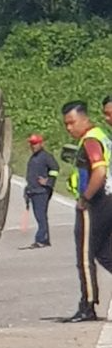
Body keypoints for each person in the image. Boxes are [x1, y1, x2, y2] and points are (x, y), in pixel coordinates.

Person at [61, 100, 112, 322]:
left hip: (95, 203)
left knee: (85, 255)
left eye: (72, 123)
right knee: (105, 253)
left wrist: (85, 198)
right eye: (66, 124)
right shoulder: (103, 136)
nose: (69, 128)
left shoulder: (91, 140)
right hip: (108, 200)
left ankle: (88, 304)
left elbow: (99, 171)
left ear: (84, 119)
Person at [22, 134, 59, 248]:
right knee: (39, 216)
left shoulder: (46, 156)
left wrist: (48, 181)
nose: (33, 146)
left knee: (40, 216)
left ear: (41, 144)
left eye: (35, 143)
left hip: (41, 191)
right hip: (33, 191)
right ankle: (44, 239)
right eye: (32, 144)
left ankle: (41, 239)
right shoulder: (34, 157)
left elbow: (55, 169)